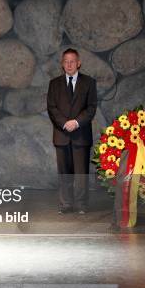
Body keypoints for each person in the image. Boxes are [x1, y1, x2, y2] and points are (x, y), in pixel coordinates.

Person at [47, 48, 97, 214]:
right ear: (62, 64)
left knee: (81, 172)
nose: (69, 64)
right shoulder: (54, 84)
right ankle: (66, 204)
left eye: (72, 61)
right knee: (64, 172)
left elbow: (91, 108)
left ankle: (82, 204)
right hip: (61, 134)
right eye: (66, 61)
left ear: (78, 63)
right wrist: (65, 123)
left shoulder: (89, 83)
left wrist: (76, 122)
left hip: (81, 134)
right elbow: (52, 108)